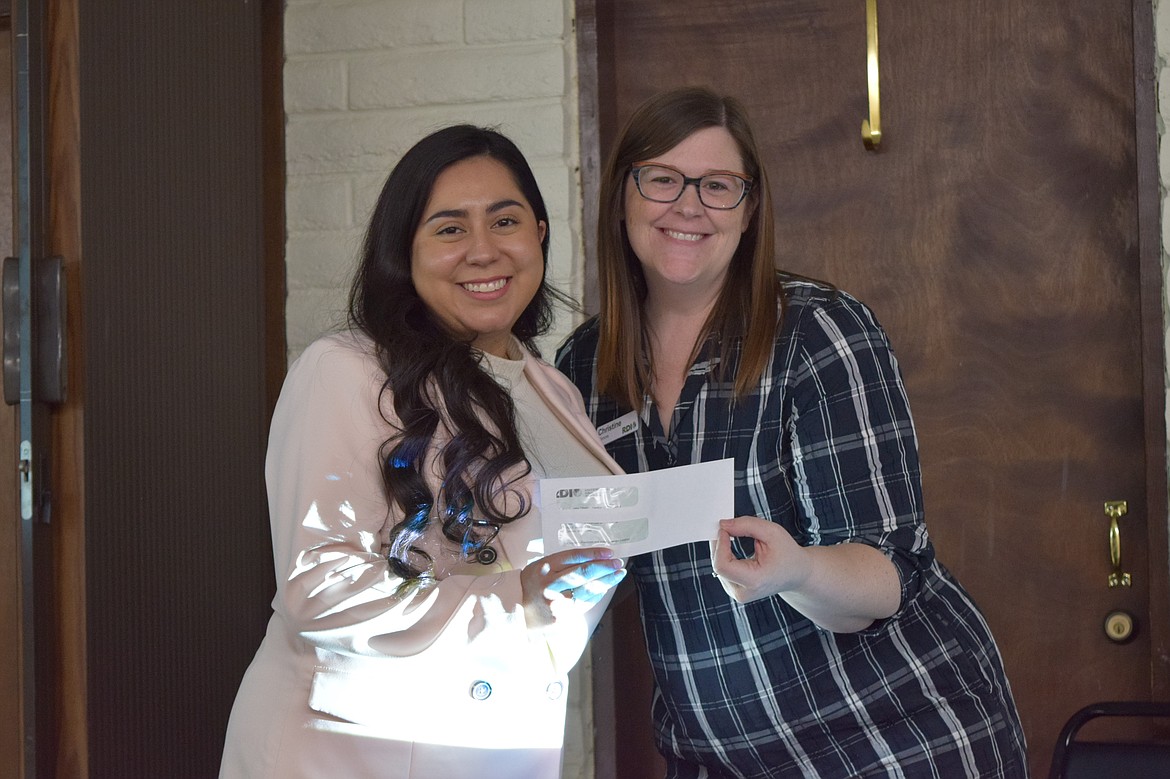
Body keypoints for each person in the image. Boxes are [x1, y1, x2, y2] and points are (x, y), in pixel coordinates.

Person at [556, 87, 1028, 778]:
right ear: (622, 194)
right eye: (662, 179)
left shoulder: (817, 335)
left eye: (717, 186)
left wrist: (798, 569)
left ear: (749, 211)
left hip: (894, 742)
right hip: (718, 755)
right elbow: (592, 561)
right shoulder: (582, 367)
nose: (687, 205)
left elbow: (888, 574)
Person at [220, 124, 627, 779]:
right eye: (449, 229)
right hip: (353, 752)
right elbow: (320, 586)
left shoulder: (552, 388)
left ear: (540, 233)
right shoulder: (345, 372)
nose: (483, 250)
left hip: (501, 744)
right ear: (403, 251)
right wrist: (513, 600)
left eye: (505, 220)